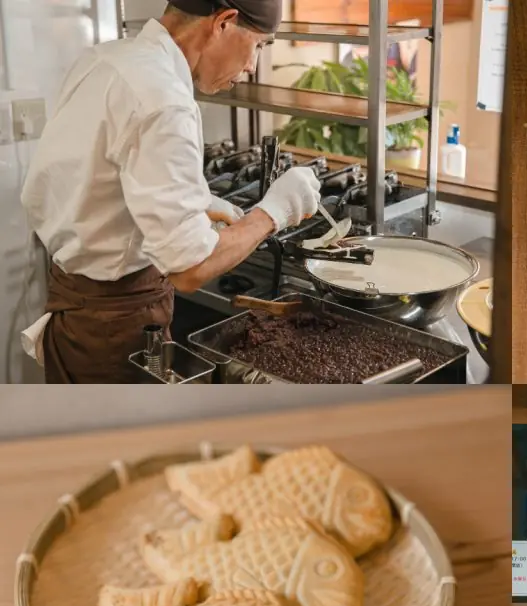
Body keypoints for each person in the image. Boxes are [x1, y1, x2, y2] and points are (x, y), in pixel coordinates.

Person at [19, 0, 322, 383]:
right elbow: (192, 270)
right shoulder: (164, 100)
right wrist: (276, 210)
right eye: (259, 46)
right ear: (225, 23)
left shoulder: (105, 59)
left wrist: (195, 201)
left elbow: (83, 178)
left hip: (76, 312)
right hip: (116, 331)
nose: (252, 66)